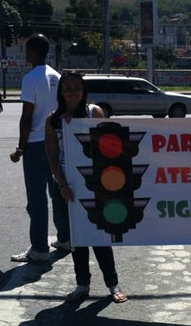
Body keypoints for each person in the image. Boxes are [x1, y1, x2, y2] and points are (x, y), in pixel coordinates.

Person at [45, 72, 128, 303]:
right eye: (68, 88)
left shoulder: (95, 112)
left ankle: (113, 284)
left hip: (96, 185)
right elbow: (52, 155)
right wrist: (62, 184)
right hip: (68, 187)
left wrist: (80, 126)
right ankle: (82, 284)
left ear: (83, 91)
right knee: (78, 239)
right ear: (61, 92)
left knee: (100, 236)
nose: (73, 92)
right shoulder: (53, 119)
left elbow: (106, 146)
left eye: (77, 88)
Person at [10, 34, 70, 263]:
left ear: (33, 51)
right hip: (56, 142)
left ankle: (39, 249)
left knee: (36, 199)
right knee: (57, 193)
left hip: (35, 144)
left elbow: (27, 117)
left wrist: (20, 147)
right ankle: (65, 238)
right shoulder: (56, 76)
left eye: (27, 49)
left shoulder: (31, 78)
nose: (26, 54)